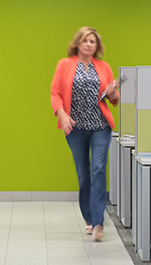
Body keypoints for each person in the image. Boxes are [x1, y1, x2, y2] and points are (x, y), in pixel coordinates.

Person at [50, 27, 119, 242]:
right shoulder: (65, 64)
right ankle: (89, 218)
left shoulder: (104, 67)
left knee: (98, 169)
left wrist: (112, 92)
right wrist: (62, 114)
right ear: (78, 43)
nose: (89, 44)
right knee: (84, 174)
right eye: (86, 40)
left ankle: (98, 222)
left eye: (93, 41)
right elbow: (55, 93)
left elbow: (113, 99)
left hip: (100, 126)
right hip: (75, 128)